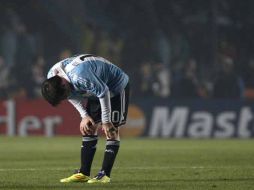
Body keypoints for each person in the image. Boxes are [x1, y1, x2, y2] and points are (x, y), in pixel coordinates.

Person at [41, 54, 129, 184]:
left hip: (115, 86)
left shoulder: (80, 76)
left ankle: (104, 174)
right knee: (89, 127)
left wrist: (106, 120)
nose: (66, 97)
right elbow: (70, 96)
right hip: (95, 87)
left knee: (111, 129)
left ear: (64, 84)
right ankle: (84, 173)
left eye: (64, 95)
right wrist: (84, 116)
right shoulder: (52, 77)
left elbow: (103, 91)